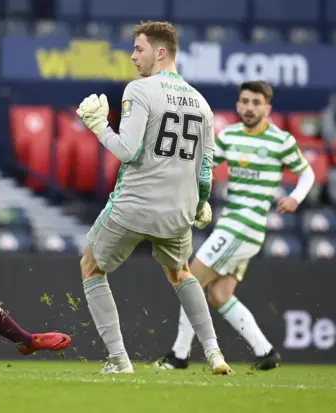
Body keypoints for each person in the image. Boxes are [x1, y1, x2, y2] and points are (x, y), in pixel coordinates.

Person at [75, 21, 232, 375]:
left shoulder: (140, 89)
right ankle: (214, 354)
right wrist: (202, 203)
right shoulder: (203, 104)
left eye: (139, 49)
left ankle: (119, 359)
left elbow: (128, 151)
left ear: (160, 52)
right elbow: (205, 171)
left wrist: (99, 126)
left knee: (90, 266)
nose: (132, 57)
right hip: (178, 212)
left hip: (134, 204)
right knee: (182, 273)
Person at [156, 81, 315, 371]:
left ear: (267, 108)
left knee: (189, 280)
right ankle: (265, 352)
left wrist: (295, 197)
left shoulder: (281, 141)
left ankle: (179, 355)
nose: (250, 107)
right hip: (234, 227)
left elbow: (307, 174)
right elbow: (204, 166)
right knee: (219, 295)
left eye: (256, 102)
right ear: (238, 105)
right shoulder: (229, 136)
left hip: (244, 226)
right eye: (245, 101)